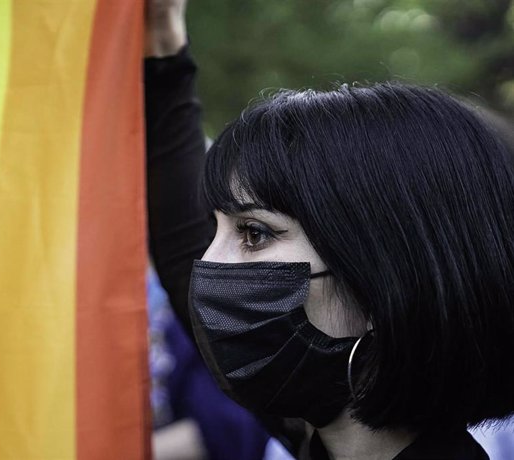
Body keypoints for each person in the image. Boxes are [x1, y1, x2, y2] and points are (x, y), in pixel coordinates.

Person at [145, 1, 514, 459]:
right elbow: (181, 243)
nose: (207, 262)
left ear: (383, 277)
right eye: (216, 228)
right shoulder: (324, 440)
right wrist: (163, 51)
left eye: (254, 233)